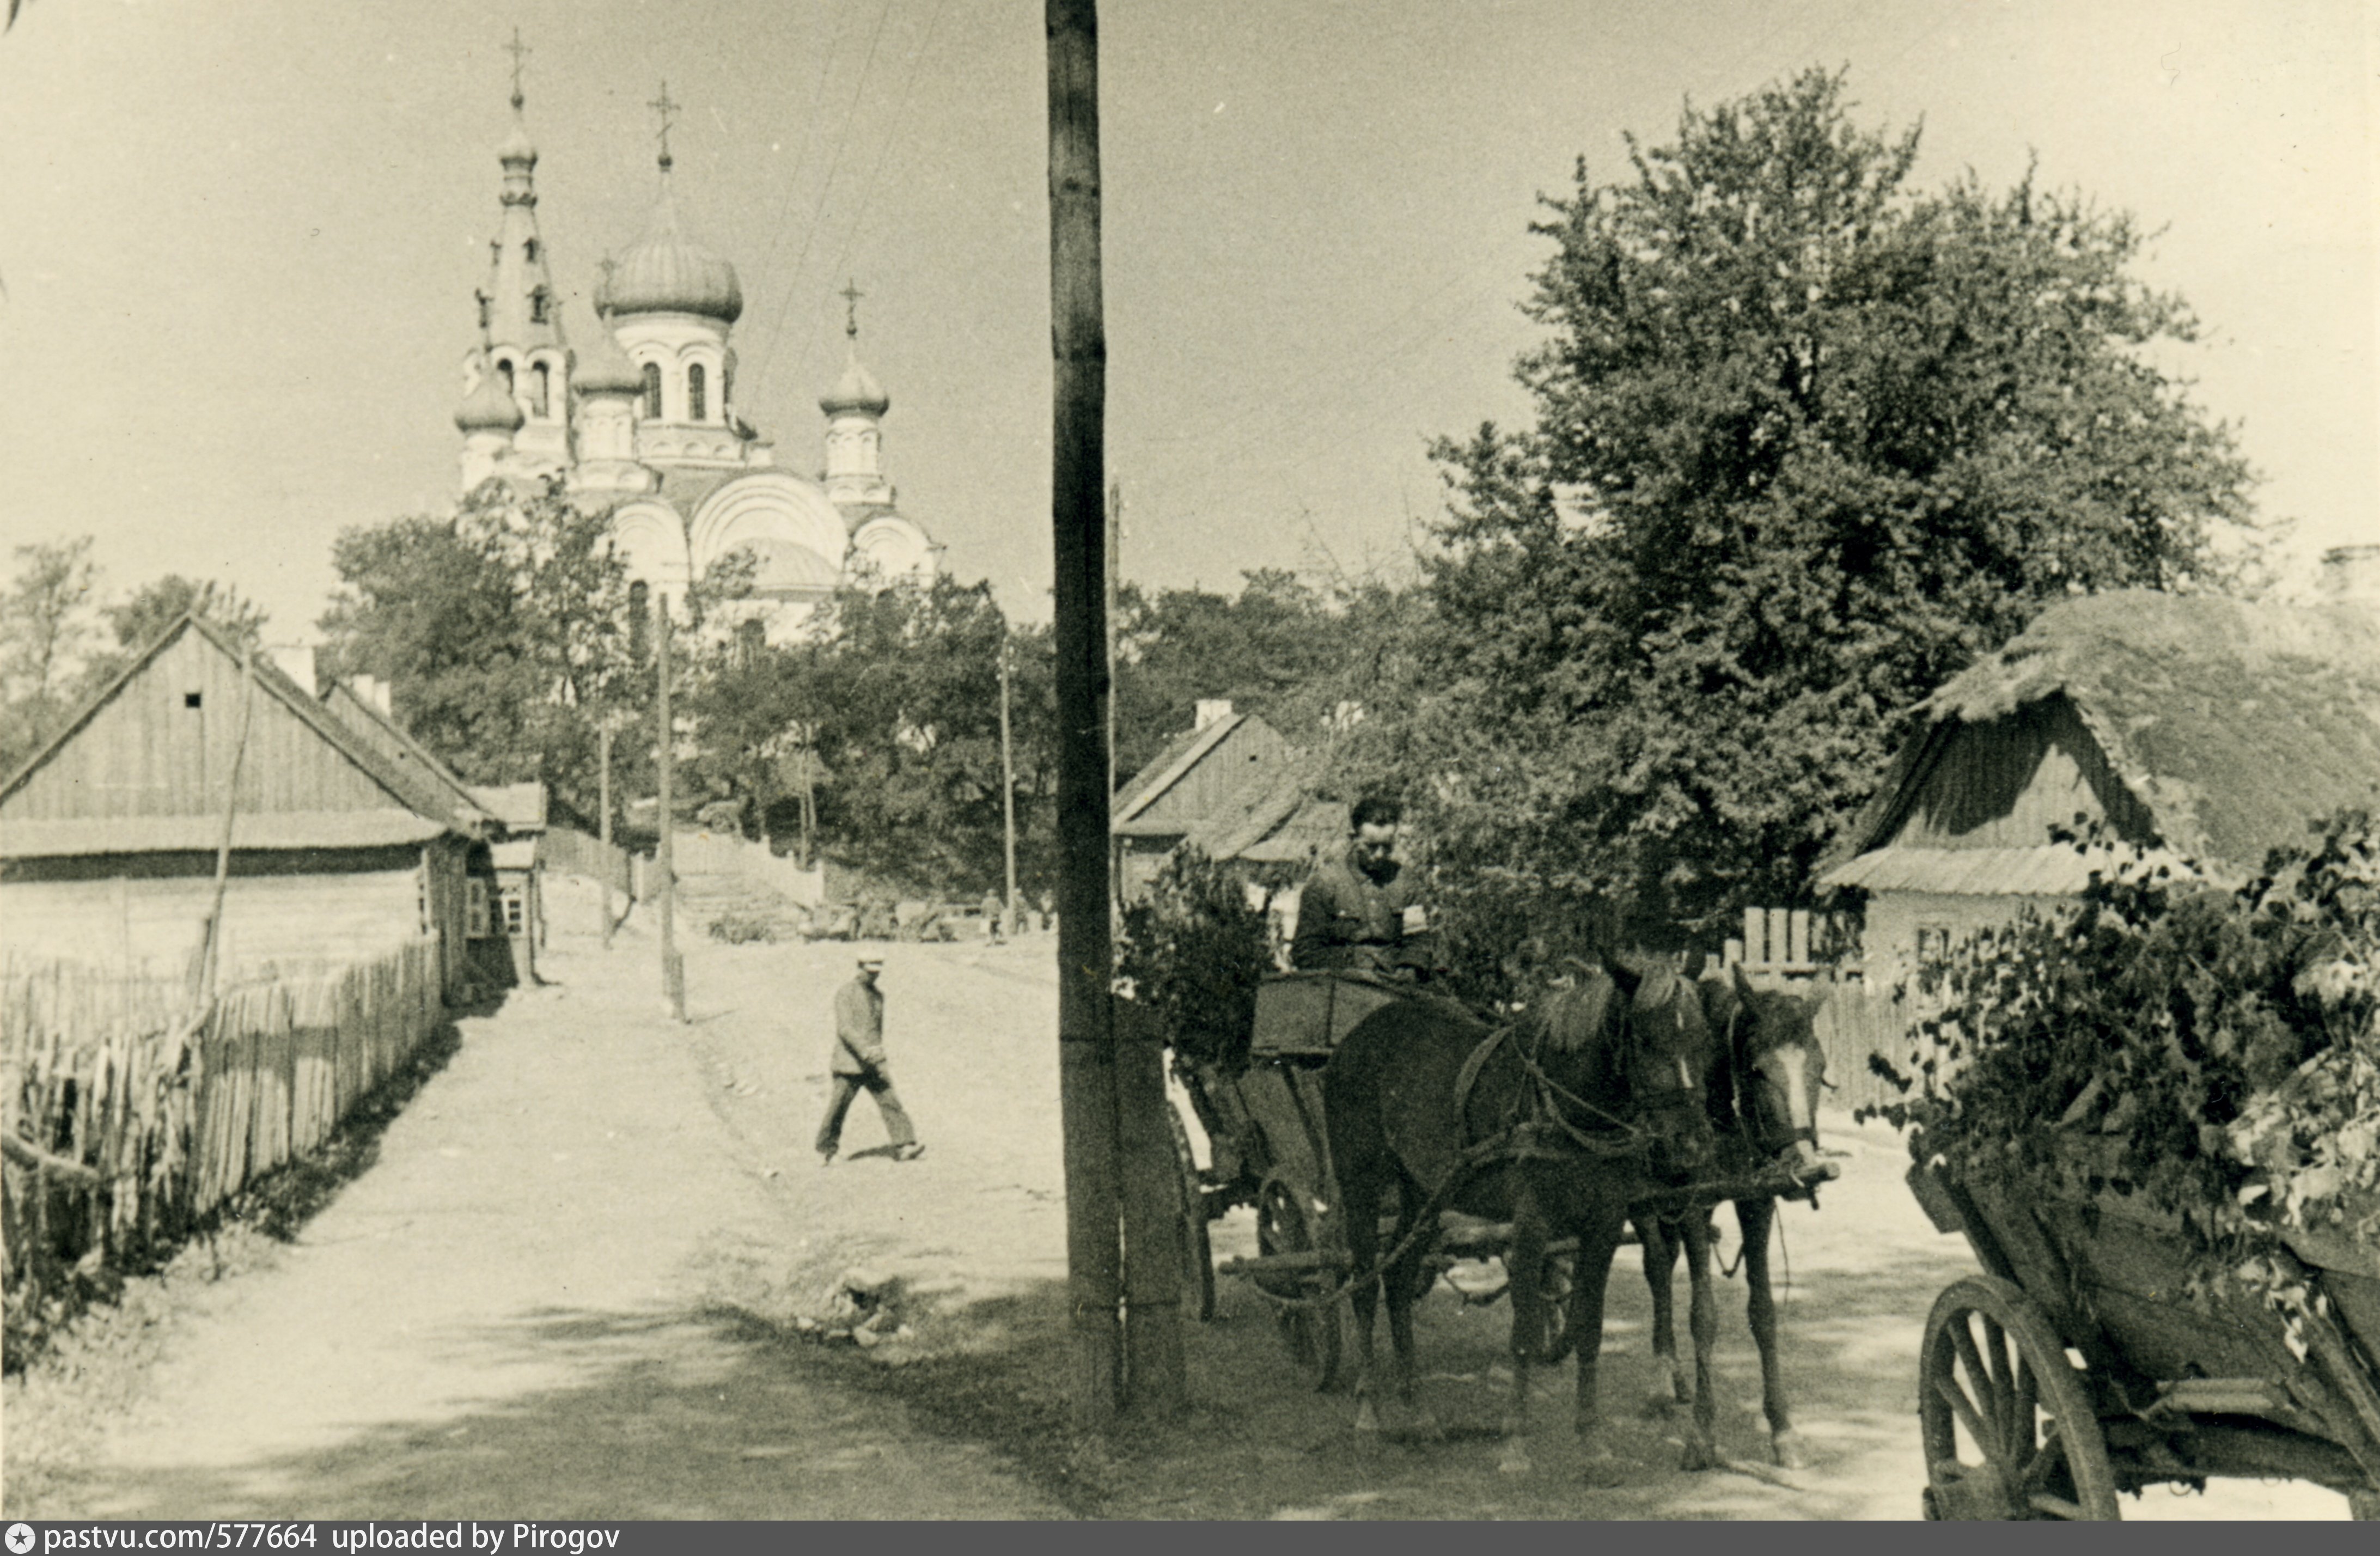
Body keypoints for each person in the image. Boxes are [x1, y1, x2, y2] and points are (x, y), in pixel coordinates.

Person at [1289, 795, 1429, 976]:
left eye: (1387, 847)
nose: (1379, 855)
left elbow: (1418, 938)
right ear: (1353, 839)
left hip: (1394, 984)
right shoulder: (1325, 883)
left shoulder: (1406, 882)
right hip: (1341, 984)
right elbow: (1306, 950)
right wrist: (1354, 964)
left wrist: (1411, 966)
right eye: (1371, 847)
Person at [815, 957, 924, 1165]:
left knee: (890, 1101)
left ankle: (904, 1145)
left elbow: (876, 1031)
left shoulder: (878, 996)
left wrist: (878, 1056)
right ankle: (826, 1151)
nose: (874, 976)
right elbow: (845, 1029)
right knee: (838, 1107)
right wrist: (865, 1051)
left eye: (877, 972)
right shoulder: (846, 992)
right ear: (859, 968)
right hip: (849, 1064)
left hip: (872, 1064)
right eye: (869, 971)